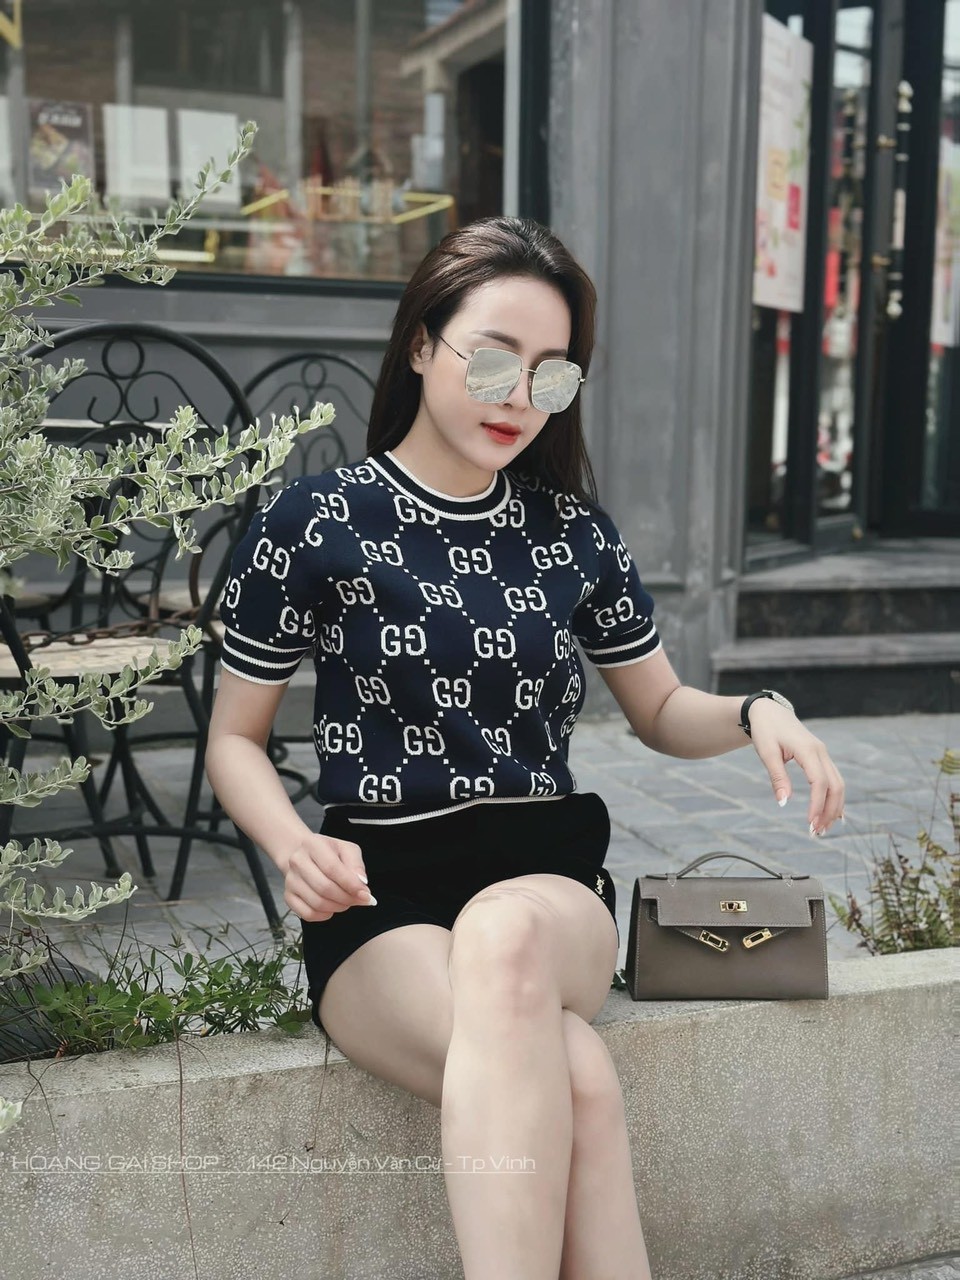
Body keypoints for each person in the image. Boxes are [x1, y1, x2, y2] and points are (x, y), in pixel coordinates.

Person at [205, 215, 846, 1280]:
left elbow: (660, 709)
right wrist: (291, 842)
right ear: (422, 344)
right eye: (495, 359)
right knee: (577, 1073)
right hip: (378, 899)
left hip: (547, 891)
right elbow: (235, 738)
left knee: (503, 935)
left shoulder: (571, 532)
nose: (519, 396)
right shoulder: (314, 522)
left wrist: (756, 713)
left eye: (552, 374)